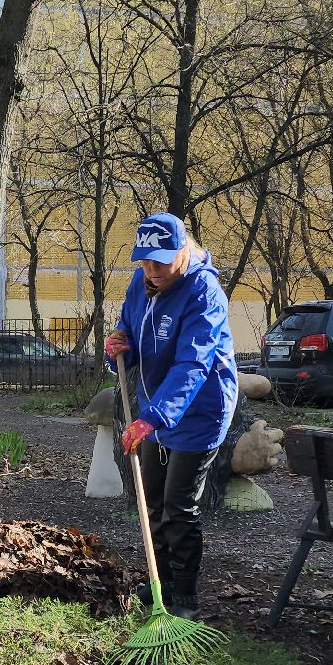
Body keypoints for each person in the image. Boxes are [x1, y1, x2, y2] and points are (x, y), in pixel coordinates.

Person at [105, 212, 238, 619]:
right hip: (154, 406)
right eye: (145, 262)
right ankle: (158, 582)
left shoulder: (205, 293)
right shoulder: (141, 283)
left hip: (200, 410)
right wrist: (117, 345)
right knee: (153, 501)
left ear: (183, 251)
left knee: (179, 506)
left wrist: (155, 417)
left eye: (161, 261)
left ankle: (184, 597)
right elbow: (128, 329)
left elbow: (193, 364)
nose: (153, 271)